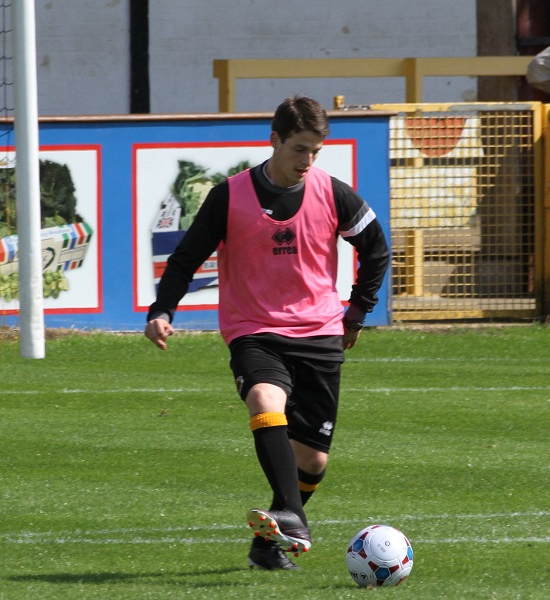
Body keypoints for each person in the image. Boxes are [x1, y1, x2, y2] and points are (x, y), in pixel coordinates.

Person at [144, 95, 390, 571]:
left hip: (319, 330)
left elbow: (376, 249)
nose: (308, 161)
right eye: (300, 149)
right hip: (253, 329)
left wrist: (356, 313)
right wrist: (162, 308)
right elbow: (186, 257)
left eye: (316, 151)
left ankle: (268, 544)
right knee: (263, 398)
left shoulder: (334, 194)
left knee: (313, 462)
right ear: (274, 140)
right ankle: (292, 517)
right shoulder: (229, 196)